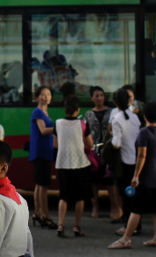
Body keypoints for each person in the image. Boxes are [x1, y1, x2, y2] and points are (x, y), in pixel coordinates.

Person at [108, 102, 156, 249]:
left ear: (144, 116)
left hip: (146, 178)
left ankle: (125, 239)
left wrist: (135, 175)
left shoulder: (144, 132)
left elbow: (141, 156)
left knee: (136, 209)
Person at [54, 95, 93, 237]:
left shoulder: (57, 123)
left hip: (63, 163)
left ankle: (60, 224)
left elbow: (55, 144)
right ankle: (76, 226)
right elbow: (90, 144)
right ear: (78, 109)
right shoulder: (83, 124)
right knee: (79, 197)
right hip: (80, 163)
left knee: (63, 196)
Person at [85, 86, 120, 219]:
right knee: (93, 181)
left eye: (102, 95)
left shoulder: (111, 112)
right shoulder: (88, 114)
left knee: (110, 180)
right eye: (97, 96)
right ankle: (95, 207)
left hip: (108, 150)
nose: (100, 98)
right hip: (93, 151)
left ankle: (114, 206)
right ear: (92, 98)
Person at [111, 88, 141, 234]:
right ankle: (137, 224)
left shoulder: (117, 119)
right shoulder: (135, 117)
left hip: (124, 162)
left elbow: (116, 143)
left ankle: (129, 226)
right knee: (134, 194)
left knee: (125, 194)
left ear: (115, 102)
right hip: (136, 159)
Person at [29, 86, 57, 229]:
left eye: (48, 94)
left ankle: (38, 213)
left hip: (44, 152)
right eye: (42, 94)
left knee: (39, 185)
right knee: (43, 185)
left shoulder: (44, 112)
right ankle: (45, 216)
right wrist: (59, 127)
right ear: (37, 97)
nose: (46, 97)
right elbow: (43, 130)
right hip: (41, 152)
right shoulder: (38, 112)